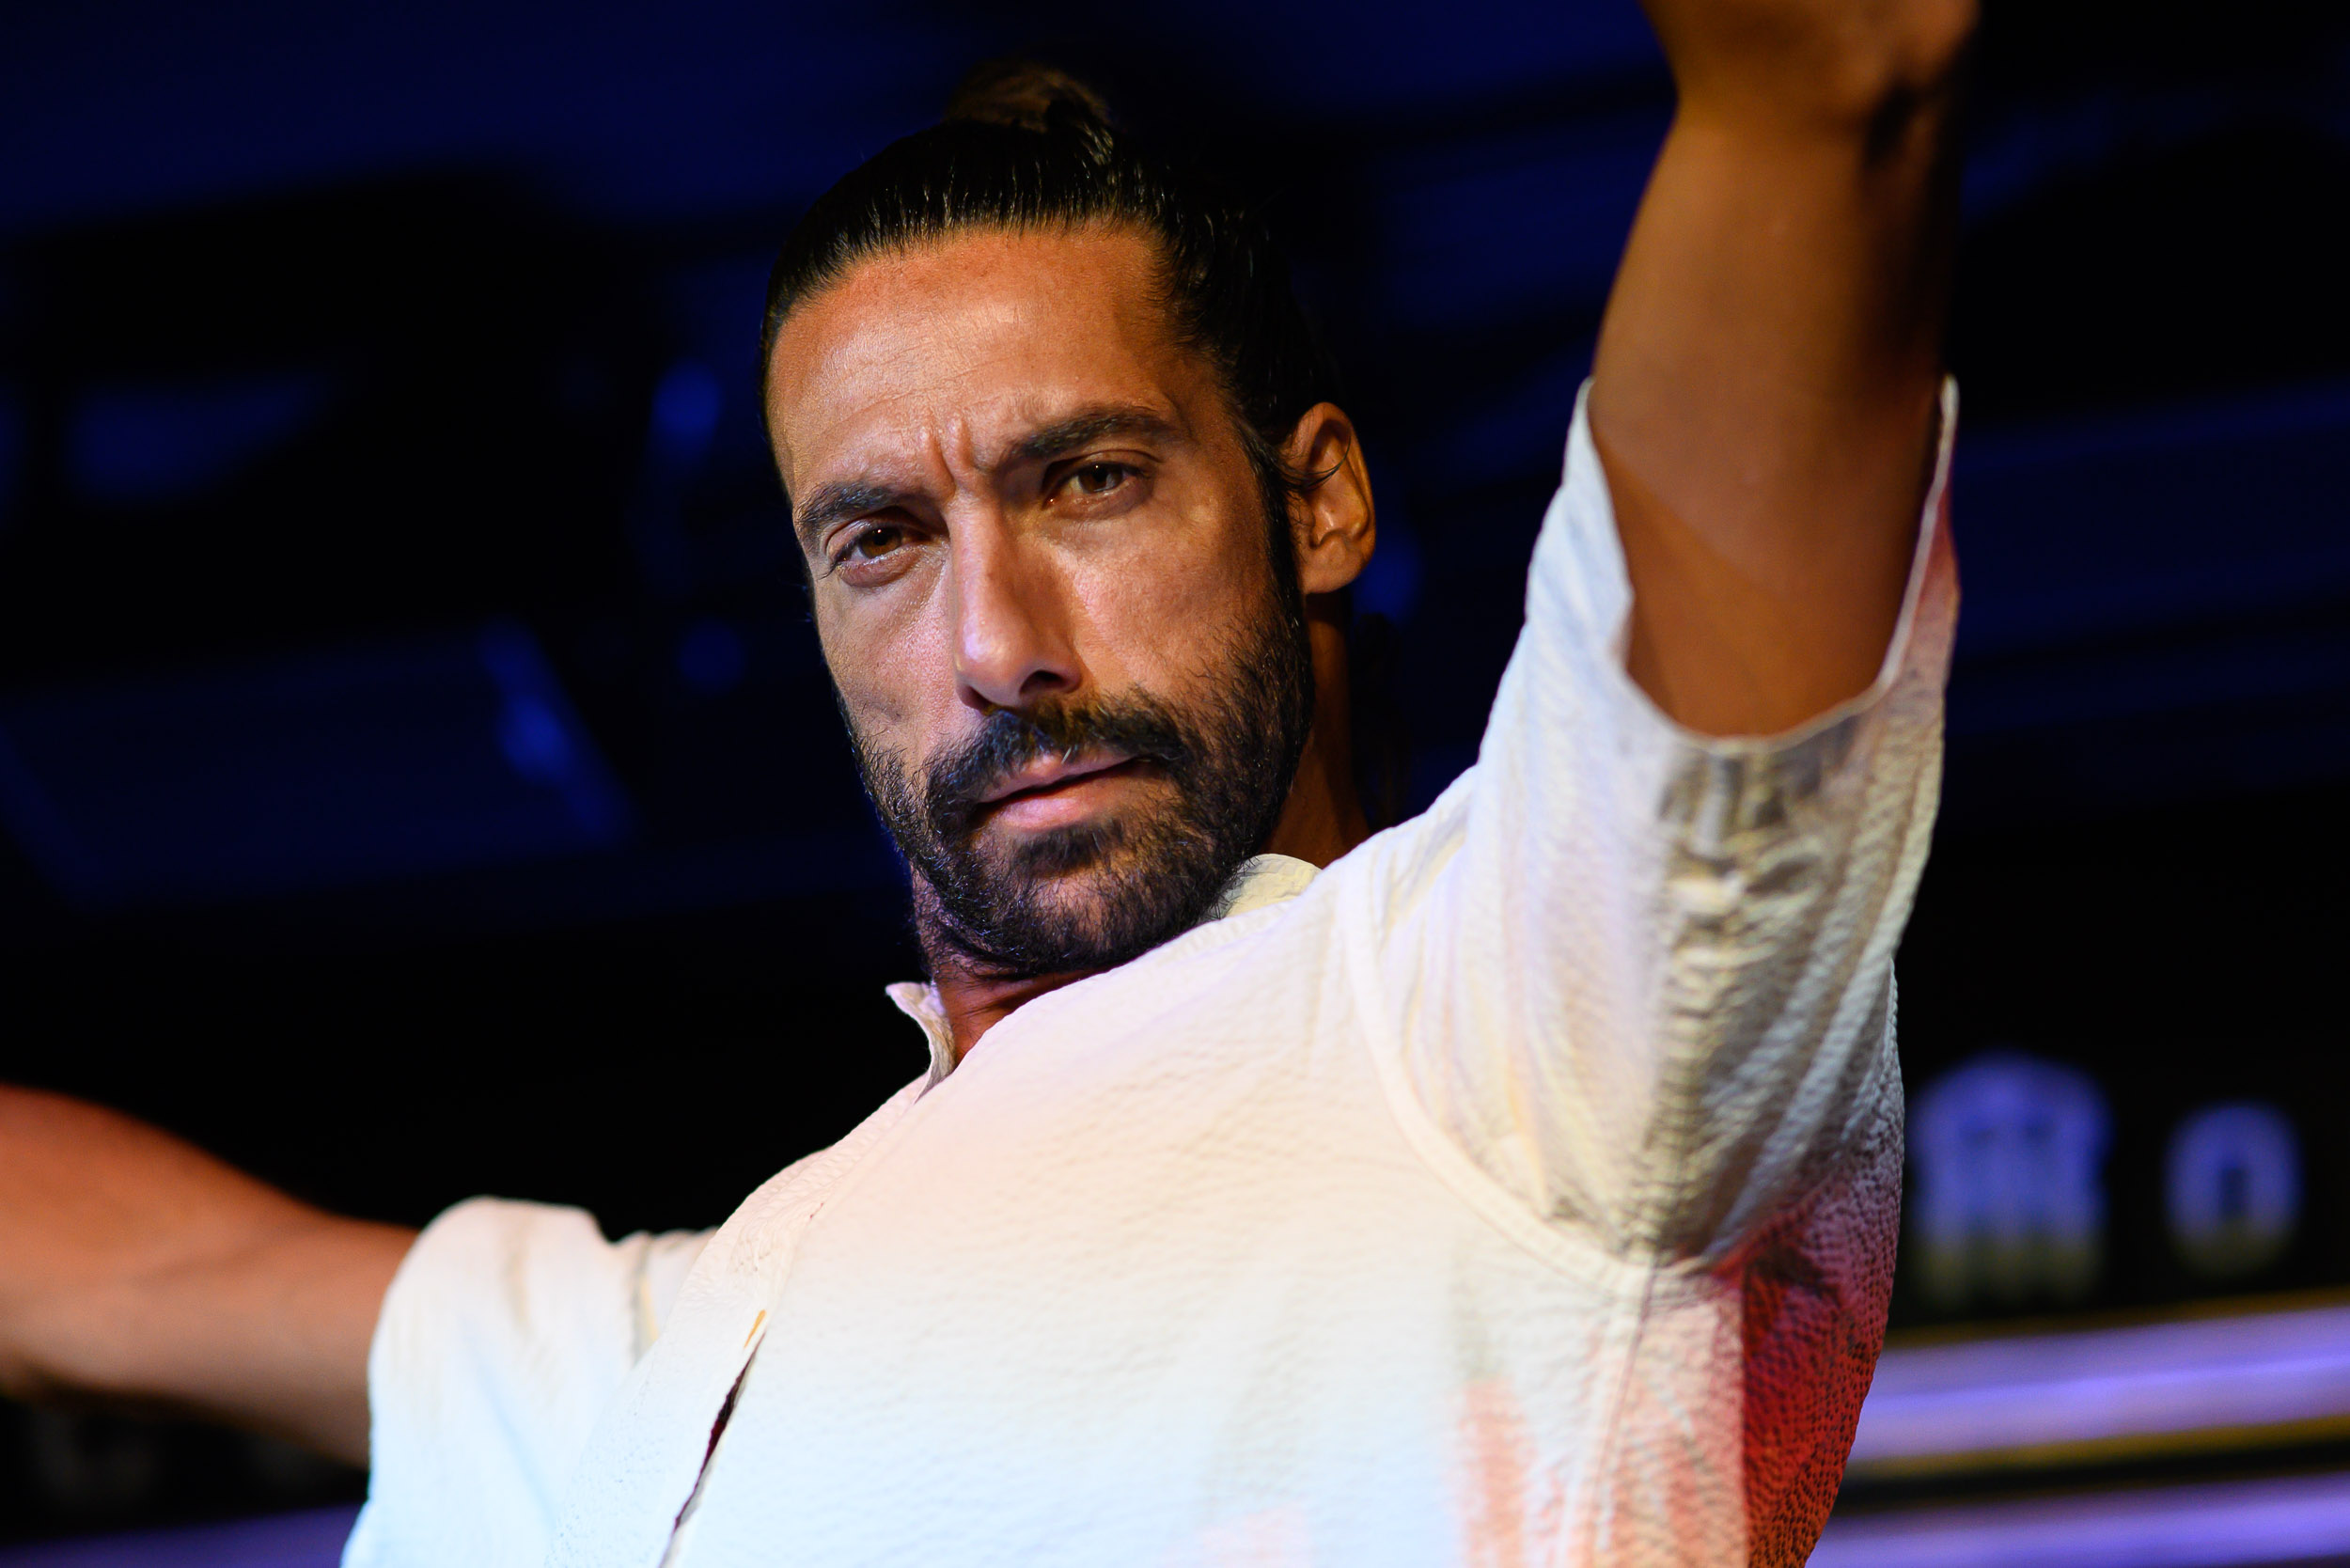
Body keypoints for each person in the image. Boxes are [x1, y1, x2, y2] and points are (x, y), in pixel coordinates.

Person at [0, 0, 1973, 1558]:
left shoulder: (1508, 1019)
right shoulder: (678, 1332)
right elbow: (143, 1273)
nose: (994, 645)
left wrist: (1802, 94)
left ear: (1318, 502)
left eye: (1087, 481)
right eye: (882, 541)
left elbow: (1823, 94)